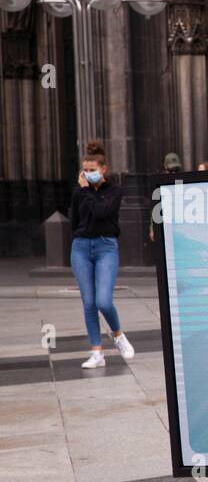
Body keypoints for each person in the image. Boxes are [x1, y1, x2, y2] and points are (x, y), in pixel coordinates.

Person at [69, 141, 134, 369]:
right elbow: (75, 220)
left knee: (103, 301)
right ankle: (96, 351)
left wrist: (86, 190)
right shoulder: (79, 192)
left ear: (103, 169)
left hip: (106, 246)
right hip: (81, 248)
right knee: (88, 303)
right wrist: (78, 237)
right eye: (85, 170)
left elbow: (101, 213)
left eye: (92, 170)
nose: (88, 174)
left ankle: (117, 334)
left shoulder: (114, 191)